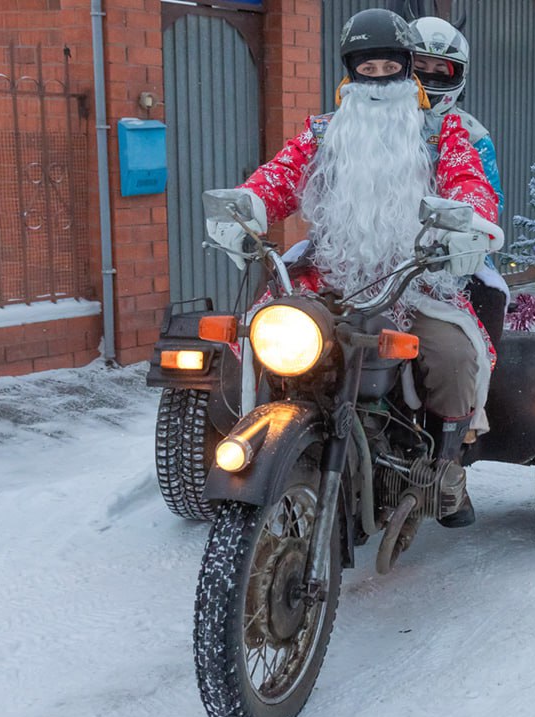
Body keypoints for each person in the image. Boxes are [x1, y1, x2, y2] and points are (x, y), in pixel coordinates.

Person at [203, 9, 500, 527]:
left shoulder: (444, 133)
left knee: (453, 355)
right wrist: (247, 206)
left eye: (390, 67)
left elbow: (469, 182)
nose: (379, 79)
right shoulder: (324, 131)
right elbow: (280, 176)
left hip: (414, 281)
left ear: (406, 69)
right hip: (329, 277)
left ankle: (446, 466)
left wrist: (466, 222)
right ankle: (265, 441)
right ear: (350, 71)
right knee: (259, 335)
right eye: (368, 67)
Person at [410, 15, 509, 345]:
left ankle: (482, 374)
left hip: (448, 251)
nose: (429, 76)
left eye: (441, 70)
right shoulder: (367, 119)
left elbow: (484, 190)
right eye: (420, 66)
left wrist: (469, 227)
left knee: (488, 299)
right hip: (372, 247)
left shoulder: (469, 133)